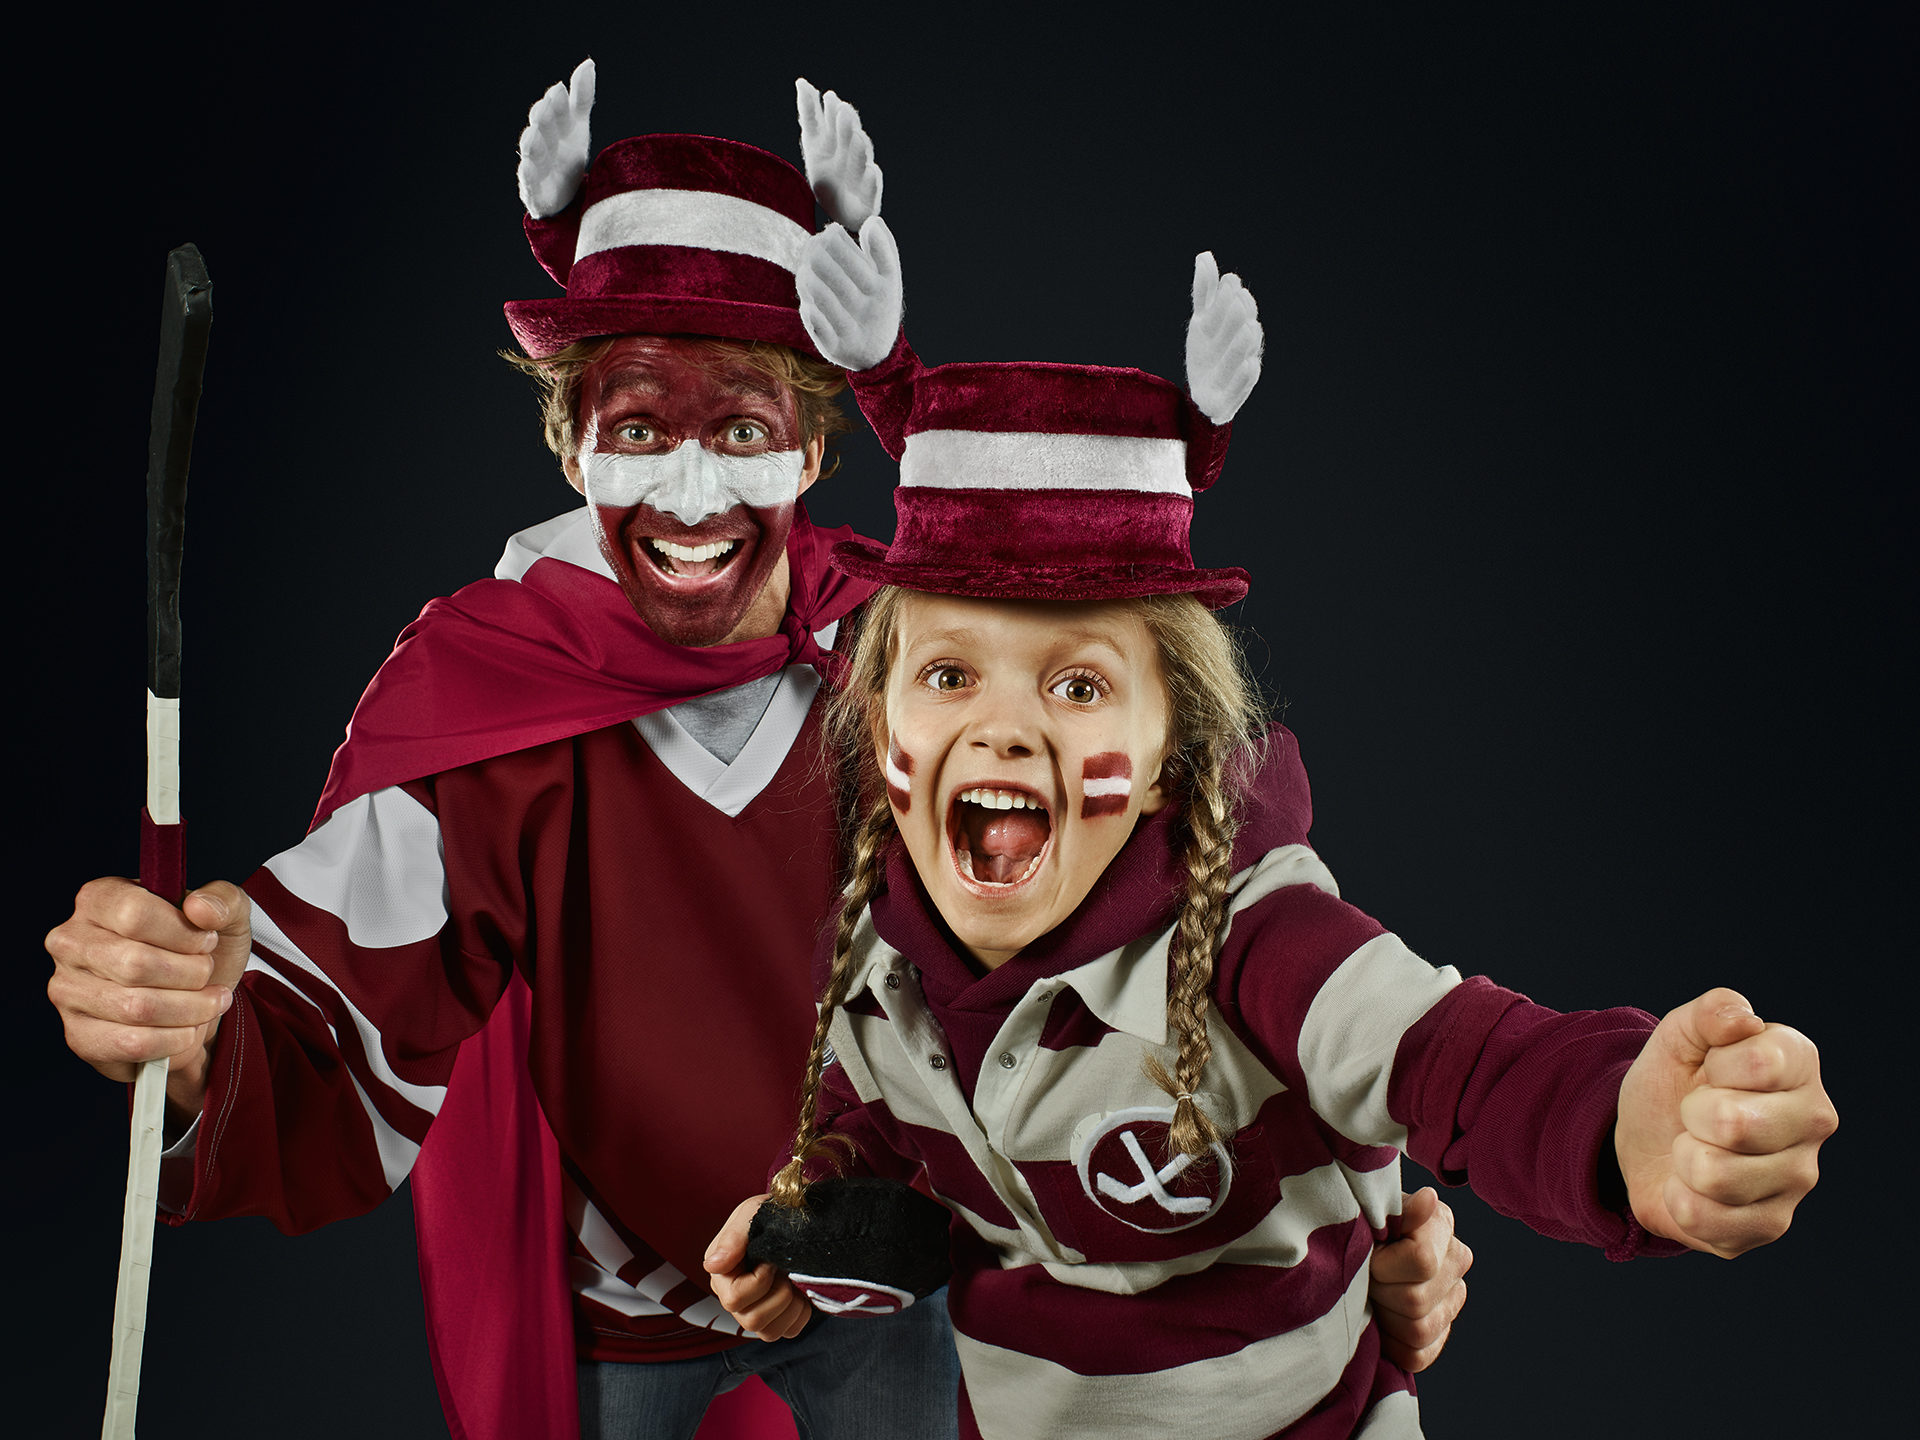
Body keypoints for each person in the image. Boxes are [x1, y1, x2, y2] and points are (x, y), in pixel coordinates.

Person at [43, 66, 1469, 1440]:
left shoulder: (925, 663)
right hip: (620, 1308)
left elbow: (1204, 889)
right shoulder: (485, 695)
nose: (690, 489)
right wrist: (187, 1019)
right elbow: (326, 1004)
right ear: (571, 446)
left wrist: (1359, 1210)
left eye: (739, 429)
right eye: (640, 428)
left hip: (907, 1281)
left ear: (810, 449)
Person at [704, 237, 1836, 1438]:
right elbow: (893, 1150)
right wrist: (817, 1221)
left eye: (1079, 688)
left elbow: (1459, 1060)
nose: (1001, 731)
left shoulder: (1262, 940)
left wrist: (1619, 1127)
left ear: (1165, 758)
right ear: (878, 724)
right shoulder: (876, 966)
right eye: (946, 674)